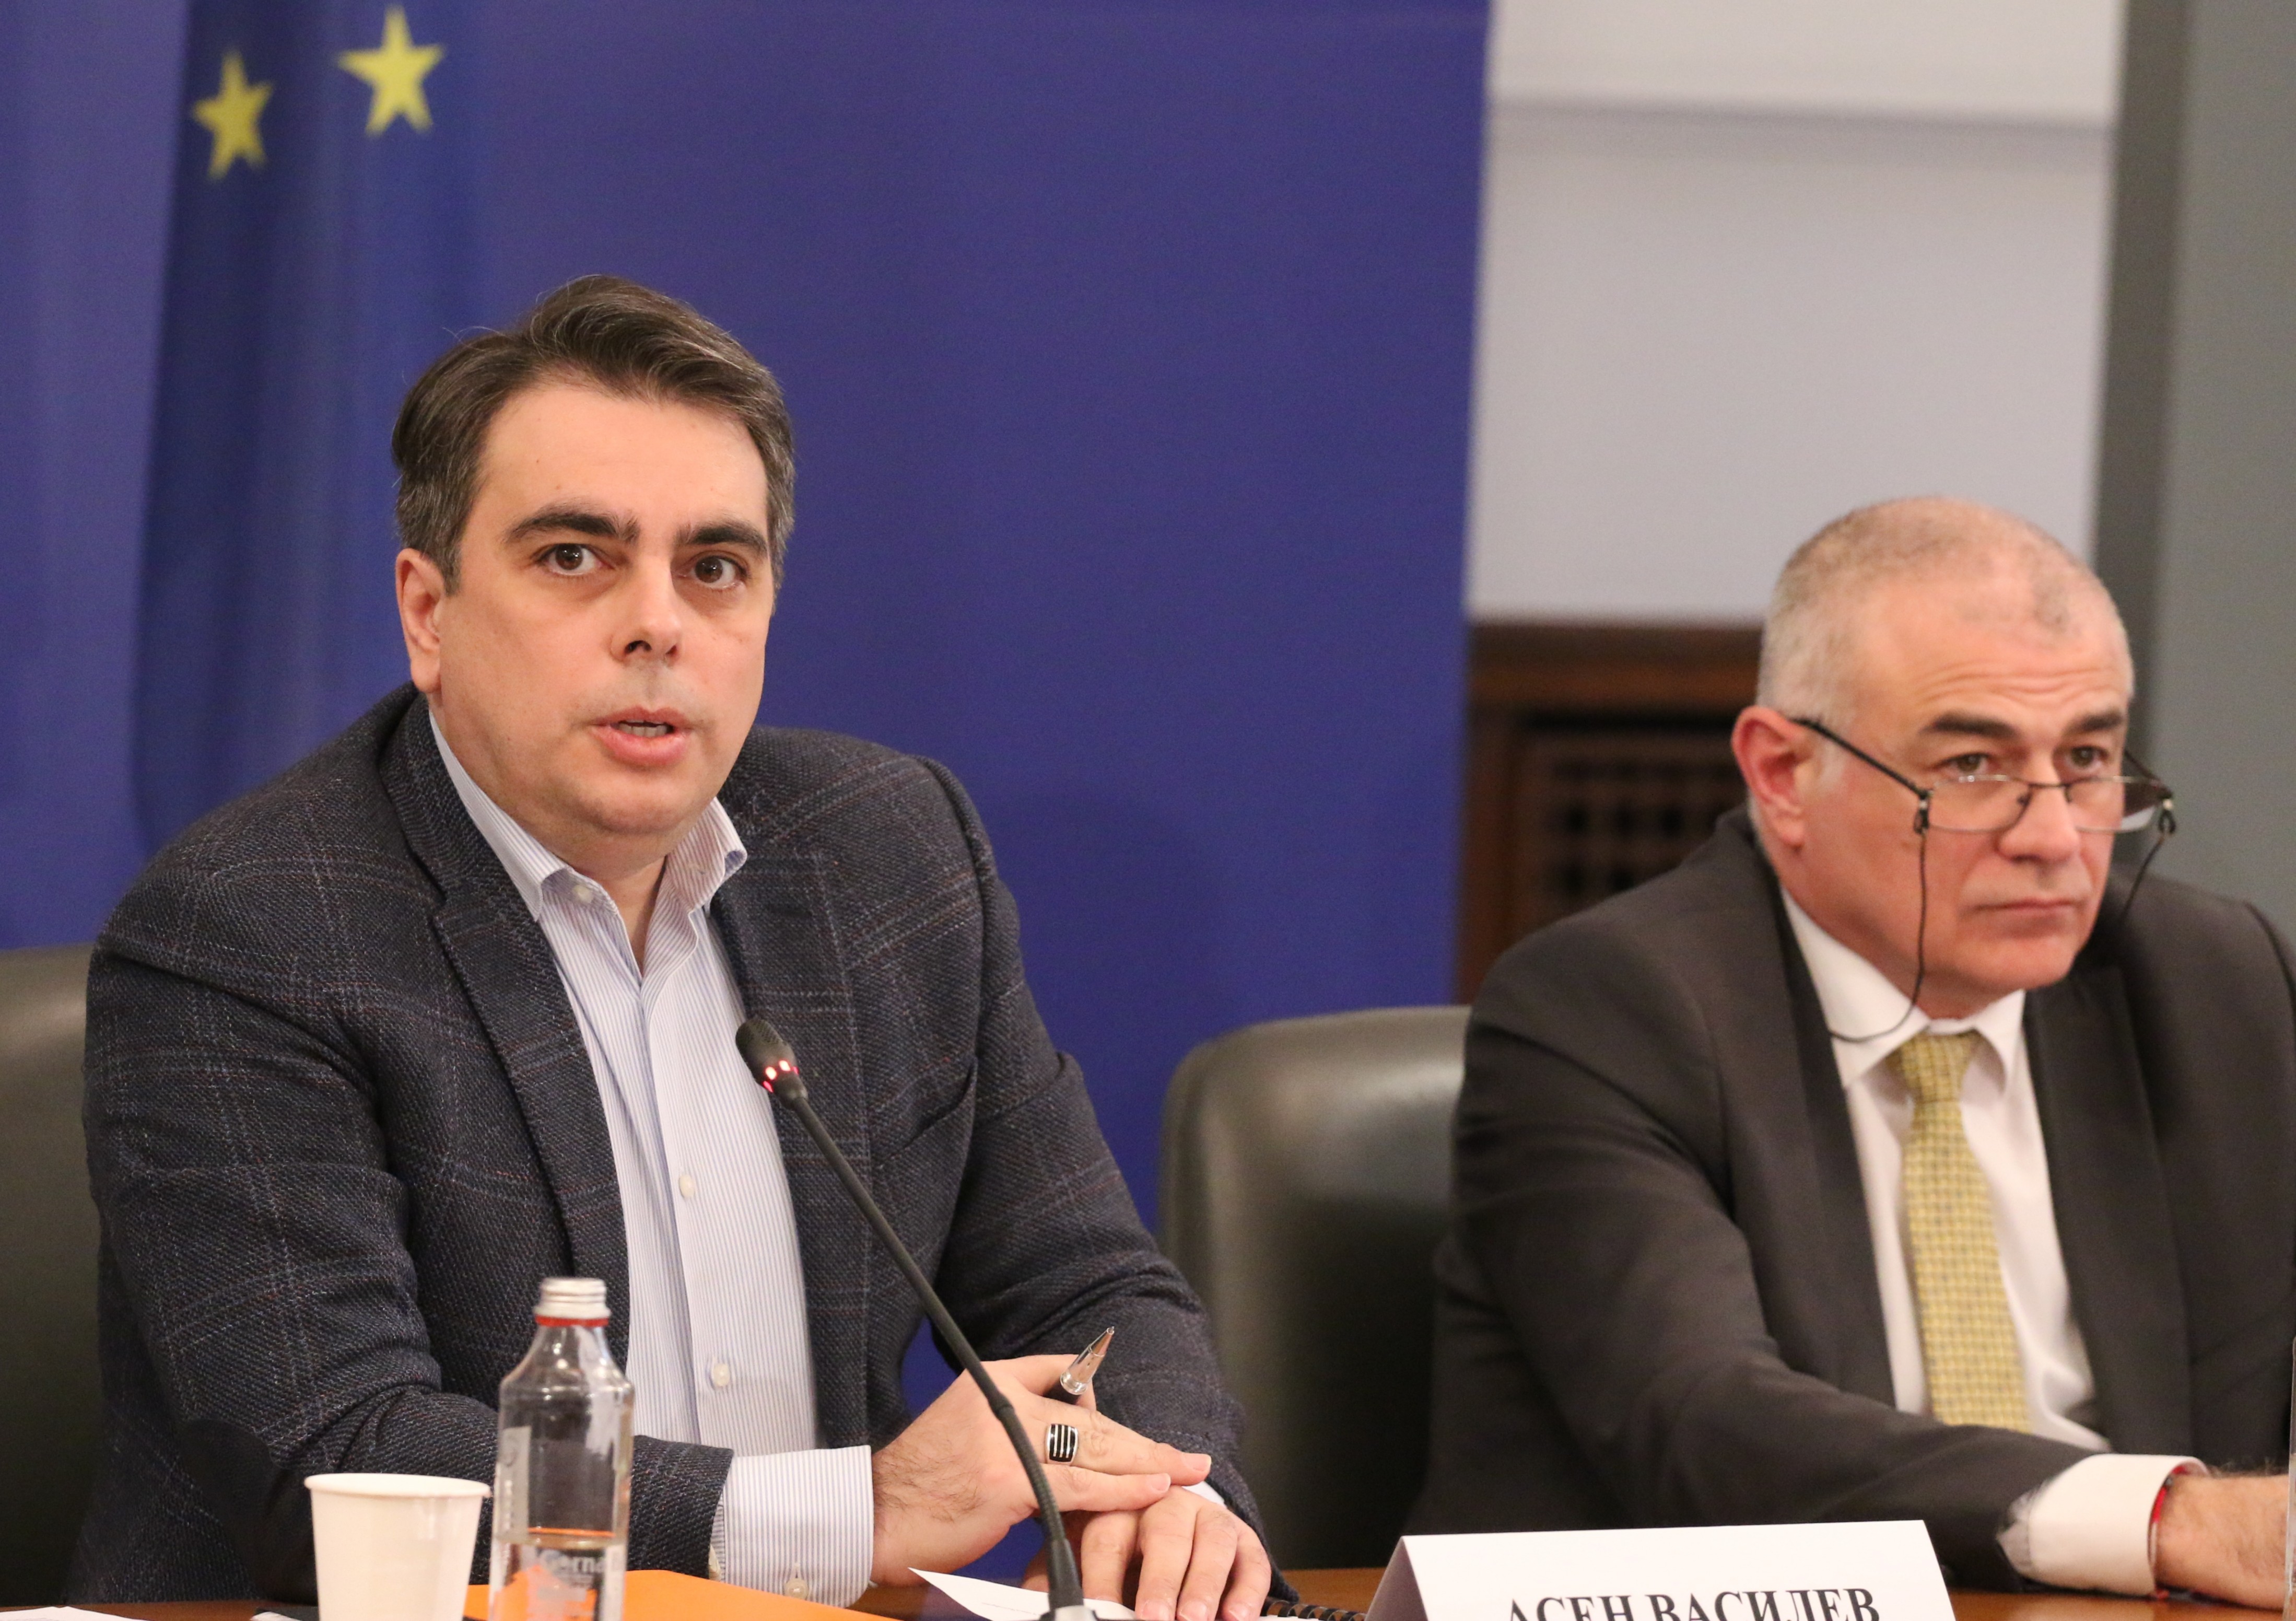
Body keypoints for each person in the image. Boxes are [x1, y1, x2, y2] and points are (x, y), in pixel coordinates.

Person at [74, 275, 1275, 1620]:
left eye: (714, 568)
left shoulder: (888, 855)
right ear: (428, 612)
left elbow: (1088, 1285)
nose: (659, 624)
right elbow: (343, 1456)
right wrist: (863, 1512)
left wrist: (1165, 1491)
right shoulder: (251, 928)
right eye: (573, 556)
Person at [1413, 498, 2292, 1602]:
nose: (2052, 837)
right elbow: (1710, 1427)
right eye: (1971, 765)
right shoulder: (1606, 1010)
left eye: (2086, 758)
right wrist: (2170, 1519)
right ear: (1782, 773)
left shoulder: (2215, 984)